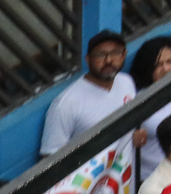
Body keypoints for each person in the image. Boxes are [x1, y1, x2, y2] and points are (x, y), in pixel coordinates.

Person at [40, 31, 140, 159]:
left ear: (124, 55)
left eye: (115, 53)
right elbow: (49, 158)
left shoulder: (126, 82)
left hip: (124, 170)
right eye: (100, 55)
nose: (108, 60)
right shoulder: (66, 103)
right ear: (88, 59)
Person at [129, 35, 171, 177]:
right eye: (158, 65)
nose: (165, 69)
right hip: (152, 178)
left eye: (170, 61)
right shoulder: (137, 100)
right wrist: (131, 139)